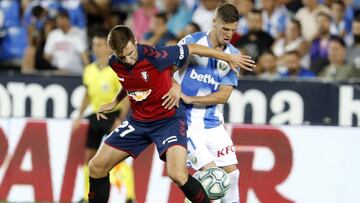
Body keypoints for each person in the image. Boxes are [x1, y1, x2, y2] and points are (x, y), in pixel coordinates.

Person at [88, 25, 254, 203]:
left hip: (168, 121)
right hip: (138, 122)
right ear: (114, 53)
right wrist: (115, 101)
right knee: (96, 167)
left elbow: (194, 49)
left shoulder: (155, 56)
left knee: (178, 175)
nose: (129, 59)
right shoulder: (115, 63)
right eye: (123, 56)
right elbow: (129, 81)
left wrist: (228, 57)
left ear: (135, 42)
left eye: (131, 53)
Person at [175, 3, 245, 202]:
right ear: (214, 22)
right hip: (186, 121)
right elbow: (167, 69)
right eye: (225, 28)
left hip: (212, 122)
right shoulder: (191, 42)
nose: (229, 34)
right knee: (213, 177)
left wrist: (192, 98)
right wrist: (176, 90)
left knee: (232, 175)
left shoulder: (234, 56)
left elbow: (223, 95)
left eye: (233, 30)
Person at [71, 29, 133, 202]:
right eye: (94, 45)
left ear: (108, 47)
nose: (96, 48)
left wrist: (121, 118)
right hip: (96, 115)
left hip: (114, 115)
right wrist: (79, 115)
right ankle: (86, 195)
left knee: (119, 156)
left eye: (99, 45)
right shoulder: (89, 70)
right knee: (89, 157)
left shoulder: (116, 68)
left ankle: (129, 195)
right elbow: (88, 94)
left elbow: (127, 94)